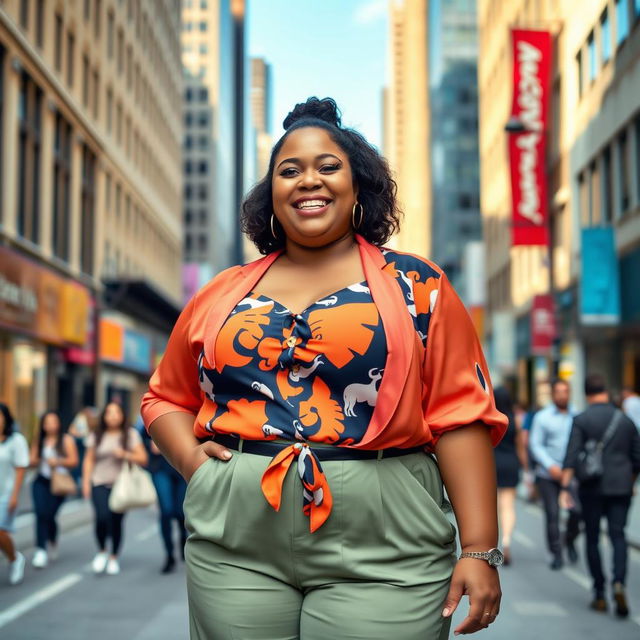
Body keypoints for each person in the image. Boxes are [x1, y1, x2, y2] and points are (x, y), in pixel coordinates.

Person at [141, 97, 508, 639]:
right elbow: (165, 396)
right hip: (236, 537)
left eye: (327, 167)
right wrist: (198, 466)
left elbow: (460, 414)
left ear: (358, 186)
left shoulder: (418, 286)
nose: (307, 180)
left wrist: (479, 548)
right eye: (289, 171)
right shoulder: (221, 292)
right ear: (272, 195)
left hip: (387, 538)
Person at [561, 373, 640, 616]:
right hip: (621, 487)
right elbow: (637, 457)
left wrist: (564, 489)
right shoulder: (625, 420)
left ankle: (599, 593)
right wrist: (631, 481)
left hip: (591, 488)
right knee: (618, 536)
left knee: (593, 537)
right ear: (605, 390)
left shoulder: (582, 420)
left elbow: (572, 455)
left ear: (586, 394)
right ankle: (619, 582)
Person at [82, 402, 148, 575]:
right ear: (103, 416)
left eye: (116, 412)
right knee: (101, 518)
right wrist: (85, 483)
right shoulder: (96, 435)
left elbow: (143, 458)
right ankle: (102, 551)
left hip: (121, 486)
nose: (112, 416)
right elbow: (88, 459)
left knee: (116, 521)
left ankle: (113, 557)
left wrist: (124, 454)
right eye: (109, 413)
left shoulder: (130, 434)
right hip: (98, 482)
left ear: (122, 415)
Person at [529, 378, 581, 569]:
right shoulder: (542, 417)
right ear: (552, 394)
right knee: (552, 514)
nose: (562, 395)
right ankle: (556, 553)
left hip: (571, 473)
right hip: (548, 474)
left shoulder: (577, 415)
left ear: (570, 393)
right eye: (558, 391)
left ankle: (570, 539)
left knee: (577, 512)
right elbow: (535, 444)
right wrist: (550, 465)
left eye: (565, 391)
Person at [29, 411, 79, 568]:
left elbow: (74, 461)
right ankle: (40, 550)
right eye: (47, 422)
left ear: (59, 423)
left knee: (49, 515)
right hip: (41, 481)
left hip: (59, 484)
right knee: (40, 513)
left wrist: (57, 461)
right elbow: (31, 460)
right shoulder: (40, 440)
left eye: (53, 422)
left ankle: (52, 539)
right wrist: (38, 459)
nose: (50, 425)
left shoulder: (66, 440)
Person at [138, 418, 188, 573]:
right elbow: (142, 438)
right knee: (166, 511)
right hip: (160, 468)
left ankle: (183, 540)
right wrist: (150, 444)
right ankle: (169, 555)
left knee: (180, 512)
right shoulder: (153, 411)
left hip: (181, 467)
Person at [492, 387, 525, 566]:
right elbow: (521, 447)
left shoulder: (491, 420)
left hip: (493, 463)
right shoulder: (515, 421)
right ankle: (506, 541)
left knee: (495, 506)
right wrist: (526, 468)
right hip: (511, 464)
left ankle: (495, 543)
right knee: (508, 506)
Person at [0, 402, 29, 585]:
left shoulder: (16, 440)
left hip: (6, 494)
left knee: (1, 531)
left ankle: (15, 559)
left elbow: (20, 469)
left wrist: (14, 496)